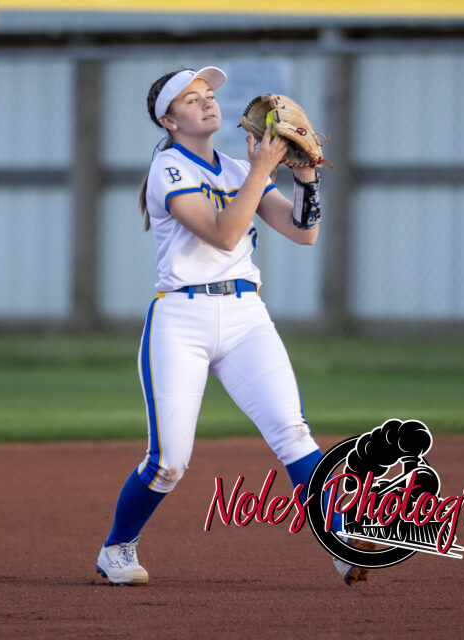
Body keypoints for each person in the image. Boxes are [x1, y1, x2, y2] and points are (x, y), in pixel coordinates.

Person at [96, 66, 359, 586]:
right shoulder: (169, 170)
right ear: (168, 121)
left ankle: (341, 543)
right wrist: (263, 169)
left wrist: (306, 176)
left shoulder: (239, 169)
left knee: (293, 433)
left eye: (209, 95)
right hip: (182, 319)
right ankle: (117, 549)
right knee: (170, 462)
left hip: (245, 318)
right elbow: (223, 233)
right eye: (192, 100)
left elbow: (303, 233)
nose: (208, 103)